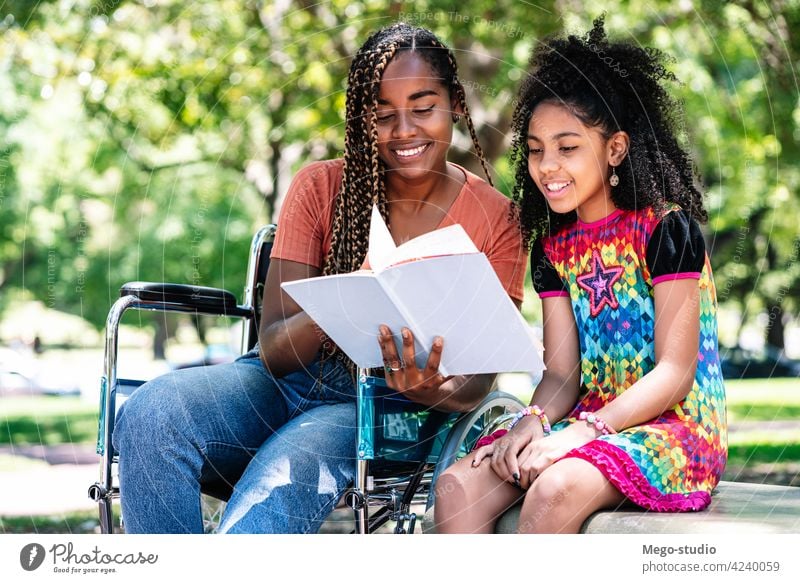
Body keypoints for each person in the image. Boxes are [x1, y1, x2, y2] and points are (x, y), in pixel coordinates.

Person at [112, 23, 526, 534]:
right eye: (381, 115)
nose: (404, 130)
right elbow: (274, 350)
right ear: (360, 120)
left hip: (387, 409)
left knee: (270, 496)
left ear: (456, 104)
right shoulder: (321, 186)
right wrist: (349, 300)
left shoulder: (498, 219)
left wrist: (428, 387)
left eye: (423, 108)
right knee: (151, 413)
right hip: (284, 383)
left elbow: (477, 385)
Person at [434, 18, 727, 534]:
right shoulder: (551, 249)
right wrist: (534, 422)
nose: (547, 165)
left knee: (553, 487)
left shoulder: (666, 230)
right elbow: (562, 373)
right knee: (458, 486)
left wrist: (583, 434)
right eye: (534, 148)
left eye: (567, 147)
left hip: (674, 430)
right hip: (587, 422)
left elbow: (675, 372)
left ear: (614, 148)